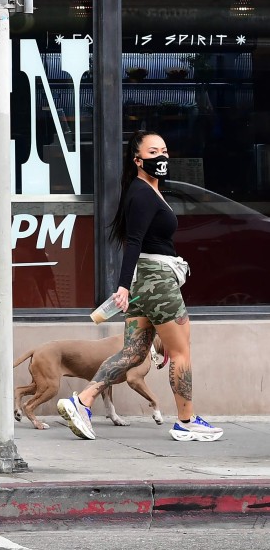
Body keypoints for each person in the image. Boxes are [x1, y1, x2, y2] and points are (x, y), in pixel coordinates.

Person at [57, 130, 222, 443]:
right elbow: (133, 241)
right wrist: (121, 286)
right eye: (153, 152)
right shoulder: (142, 193)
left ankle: (83, 401)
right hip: (157, 281)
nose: (161, 157)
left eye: (164, 150)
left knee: (132, 353)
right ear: (137, 160)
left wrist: (129, 285)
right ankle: (186, 421)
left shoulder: (144, 189)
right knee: (181, 351)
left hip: (146, 281)